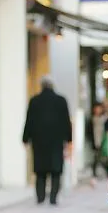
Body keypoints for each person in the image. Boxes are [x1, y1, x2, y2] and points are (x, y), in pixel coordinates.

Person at [23, 75, 72, 205]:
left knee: (40, 170)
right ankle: (53, 197)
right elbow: (66, 121)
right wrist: (69, 138)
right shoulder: (61, 100)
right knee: (56, 170)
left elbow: (29, 121)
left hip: (39, 141)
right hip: (56, 141)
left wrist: (25, 138)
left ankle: (40, 197)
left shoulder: (34, 101)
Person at [86, 102, 108, 180]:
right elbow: (89, 132)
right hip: (95, 141)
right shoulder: (92, 119)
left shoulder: (105, 119)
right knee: (95, 158)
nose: (97, 110)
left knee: (104, 158)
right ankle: (94, 173)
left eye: (99, 108)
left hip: (103, 141)